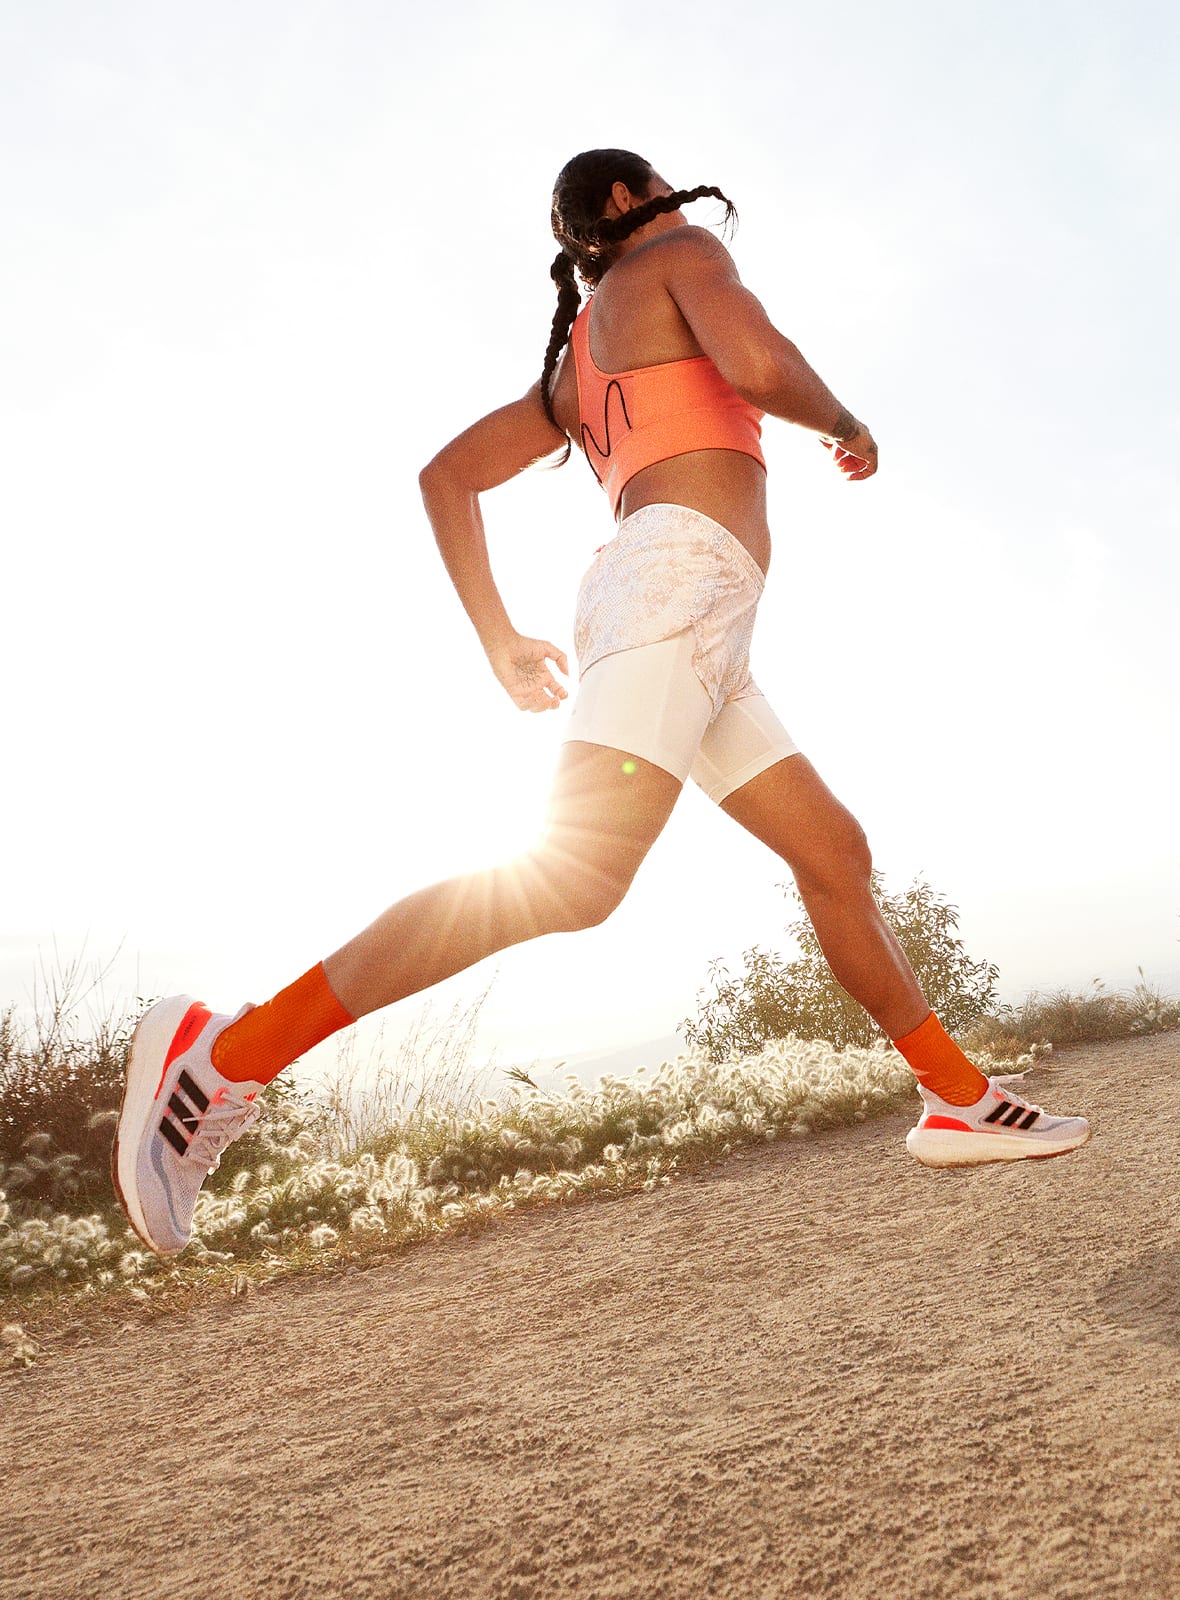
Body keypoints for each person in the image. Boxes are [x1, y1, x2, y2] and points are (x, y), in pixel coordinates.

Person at [112, 149, 1089, 1258]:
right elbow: (761, 363)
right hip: (673, 593)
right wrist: (845, 424)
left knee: (833, 852)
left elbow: (446, 476)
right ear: (630, 203)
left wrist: (498, 638)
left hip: (697, 616)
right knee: (573, 882)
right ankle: (225, 1055)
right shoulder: (677, 253)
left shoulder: (581, 358)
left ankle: (958, 1098)